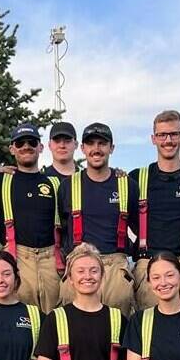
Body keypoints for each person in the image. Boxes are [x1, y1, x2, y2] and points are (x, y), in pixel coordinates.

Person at [130, 110, 180, 308]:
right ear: (153, 139)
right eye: (162, 135)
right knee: (149, 327)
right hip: (148, 264)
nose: (168, 140)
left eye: (174, 134)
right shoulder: (137, 178)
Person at [57, 122, 137, 314]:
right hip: (79, 264)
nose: (96, 149)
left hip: (115, 265)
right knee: (74, 327)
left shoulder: (127, 185)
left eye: (102, 143)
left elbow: (139, 228)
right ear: (82, 148)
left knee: (119, 322)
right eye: (91, 143)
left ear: (111, 148)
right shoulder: (68, 186)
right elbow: (59, 229)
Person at [0, 123, 63, 312]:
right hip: (17, 258)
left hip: (50, 261)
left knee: (54, 318)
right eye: (20, 142)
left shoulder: (55, 183)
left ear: (40, 147)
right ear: (12, 148)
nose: (26, 146)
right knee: (20, 317)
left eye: (32, 142)